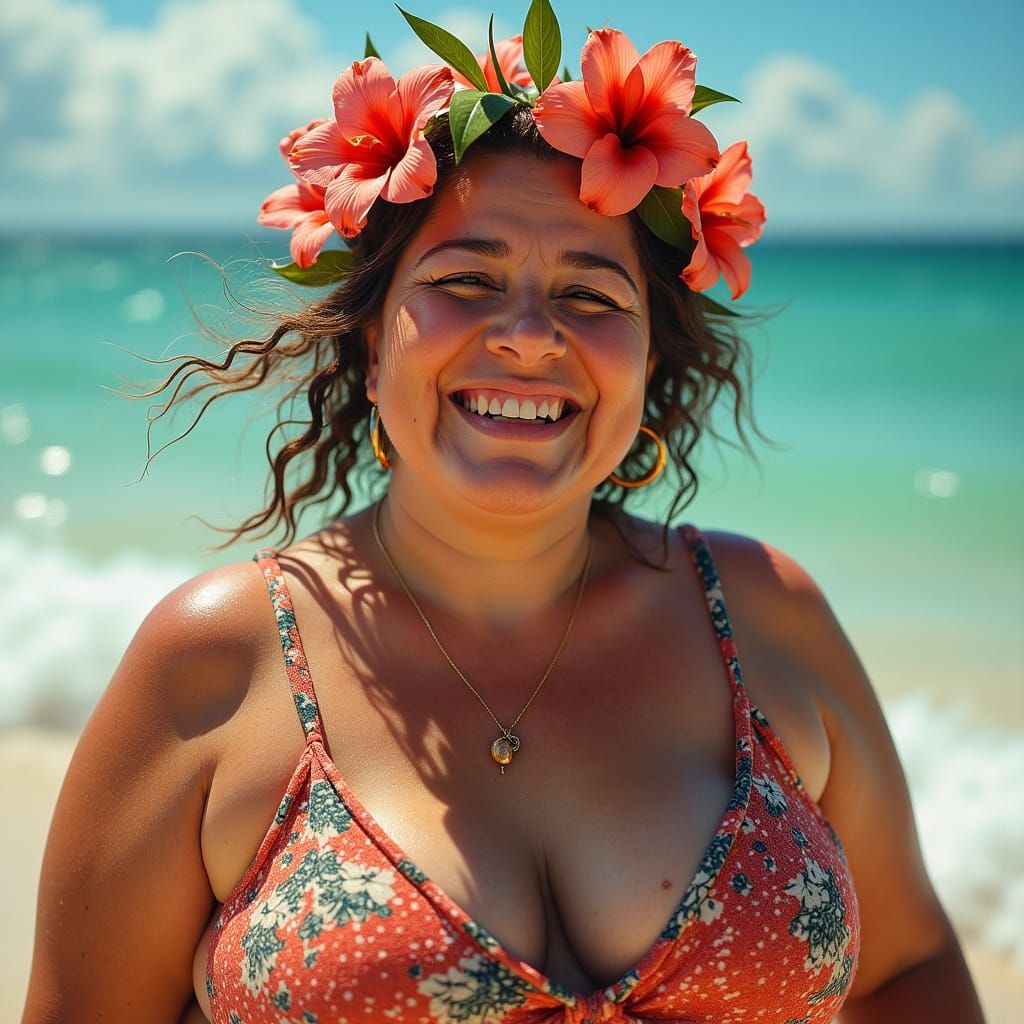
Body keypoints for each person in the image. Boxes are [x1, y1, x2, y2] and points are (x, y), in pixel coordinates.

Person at [22, 9, 984, 1024]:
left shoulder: (765, 615)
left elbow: (906, 969)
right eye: (466, 281)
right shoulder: (219, 665)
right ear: (367, 343)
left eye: (592, 295)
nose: (529, 338)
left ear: (648, 362)